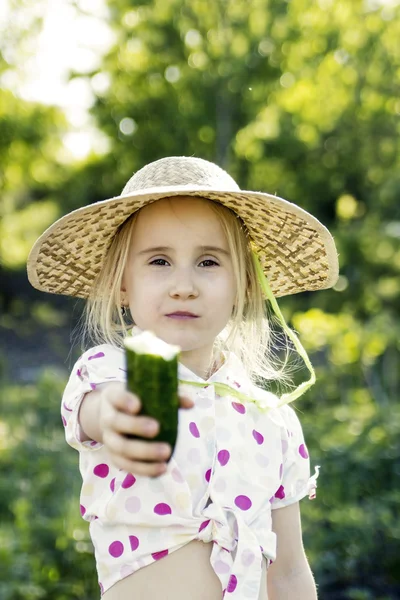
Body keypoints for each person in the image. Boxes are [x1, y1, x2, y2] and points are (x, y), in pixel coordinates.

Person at [27, 156, 338, 600]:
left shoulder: (272, 419)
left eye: (209, 262)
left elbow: (288, 572)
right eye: (158, 261)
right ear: (122, 283)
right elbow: (97, 409)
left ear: (244, 284)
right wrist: (117, 418)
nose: (183, 286)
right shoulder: (116, 371)